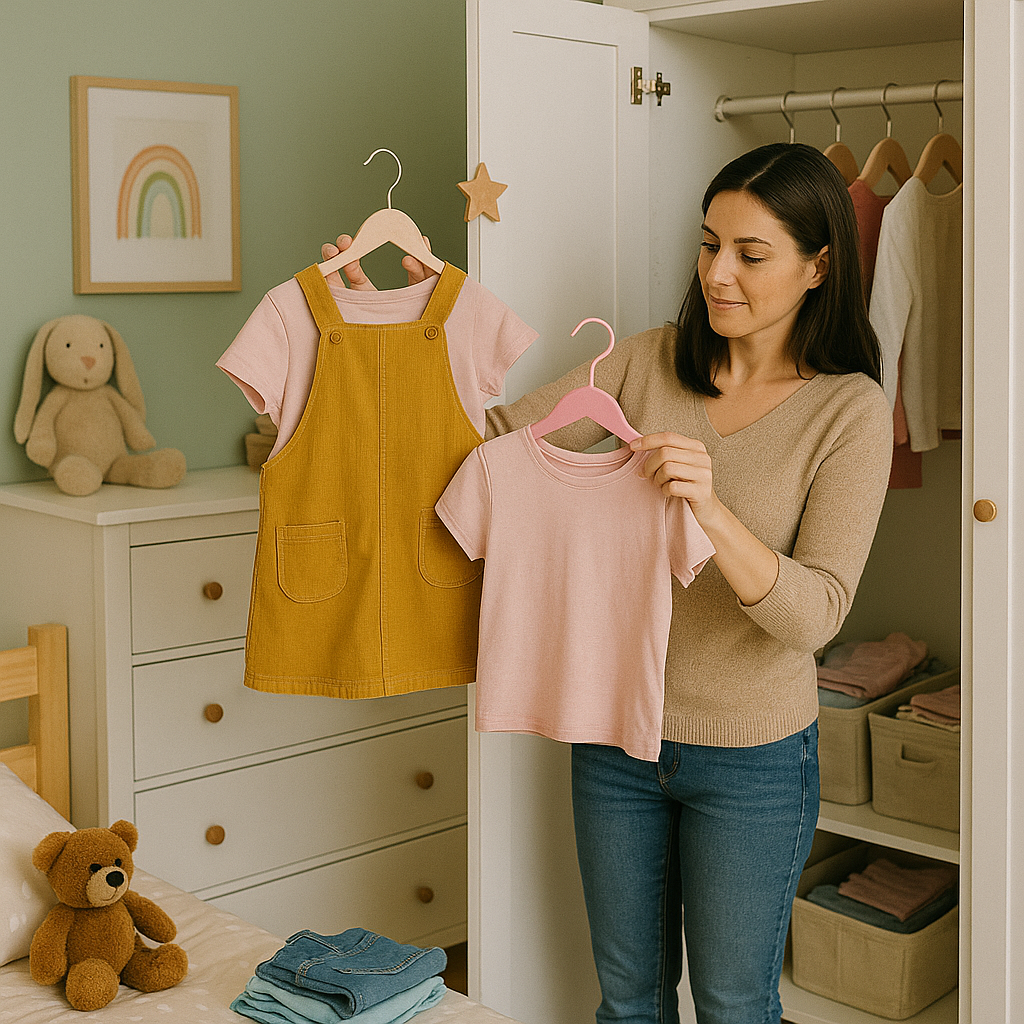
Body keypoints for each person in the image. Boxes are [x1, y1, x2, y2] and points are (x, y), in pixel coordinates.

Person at [323, 142, 893, 1024]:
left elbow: (814, 615)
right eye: (709, 245)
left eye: (751, 253)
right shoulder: (646, 361)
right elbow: (487, 445)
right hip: (615, 739)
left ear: (820, 266)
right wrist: (379, 328)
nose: (718, 274)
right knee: (627, 1003)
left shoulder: (848, 410)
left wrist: (710, 508)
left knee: (735, 1003)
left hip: (756, 760)